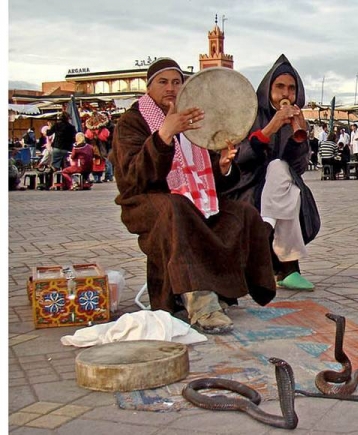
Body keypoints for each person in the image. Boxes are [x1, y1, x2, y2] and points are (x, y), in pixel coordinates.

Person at [110, 57, 276, 334]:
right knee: (177, 208)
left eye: (177, 82)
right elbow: (133, 177)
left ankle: (224, 291)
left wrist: (222, 167)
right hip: (145, 199)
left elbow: (206, 178)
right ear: (149, 87)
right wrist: (164, 134)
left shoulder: (193, 118)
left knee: (242, 213)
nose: (171, 88)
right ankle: (201, 304)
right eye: (163, 82)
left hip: (191, 201)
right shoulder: (132, 122)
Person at [227, 54, 316, 291]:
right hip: (248, 183)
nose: (286, 94)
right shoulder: (249, 115)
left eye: (291, 88)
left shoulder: (298, 119)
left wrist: (299, 137)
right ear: (268, 89)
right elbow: (240, 157)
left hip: (280, 186)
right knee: (286, 192)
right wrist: (271, 128)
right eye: (280, 87)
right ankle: (289, 268)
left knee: (280, 170)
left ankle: (266, 227)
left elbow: (299, 168)